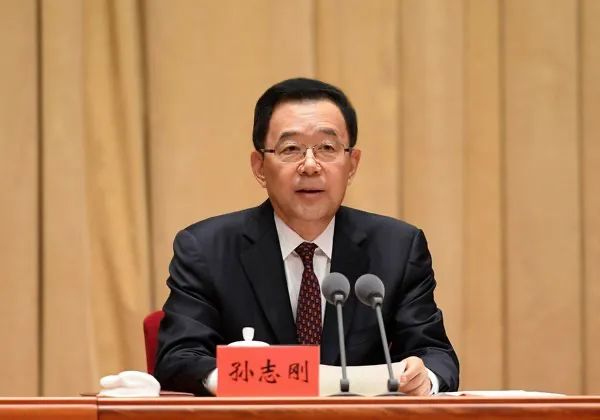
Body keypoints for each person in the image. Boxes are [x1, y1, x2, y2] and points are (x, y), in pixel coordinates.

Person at [154, 78, 459, 396]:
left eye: (327, 148)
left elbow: (436, 355)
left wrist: (424, 379)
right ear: (259, 167)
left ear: (352, 165)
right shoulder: (206, 249)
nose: (310, 166)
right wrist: (241, 378)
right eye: (291, 149)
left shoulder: (398, 248)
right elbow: (178, 358)